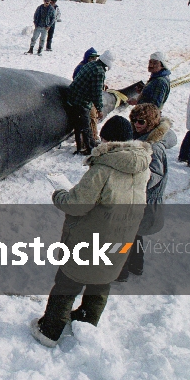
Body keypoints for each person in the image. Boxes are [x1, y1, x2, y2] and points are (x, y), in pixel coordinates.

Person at [31, 116, 151, 347]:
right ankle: (86, 323)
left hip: (91, 239)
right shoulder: (142, 165)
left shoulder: (104, 168)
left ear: (108, 140)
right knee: (101, 282)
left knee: (67, 283)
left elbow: (77, 204)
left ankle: (49, 331)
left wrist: (60, 195)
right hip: (120, 238)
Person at [117, 104, 175, 281]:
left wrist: (129, 180)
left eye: (141, 121)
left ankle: (121, 270)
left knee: (126, 235)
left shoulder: (154, 148)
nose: (136, 124)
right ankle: (136, 265)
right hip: (141, 201)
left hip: (144, 201)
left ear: (151, 122)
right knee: (135, 235)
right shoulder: (142, 139)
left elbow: (153, 176)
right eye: (133, 120)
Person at [67, 50, 113, 154]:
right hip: (81, 101)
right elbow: (96, 93)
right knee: (86, 126)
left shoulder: (91, 64)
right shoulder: (99, 72)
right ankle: (90, 149)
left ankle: (80, 146)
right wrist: (99, 109)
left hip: (72, 98)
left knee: (78, 126)